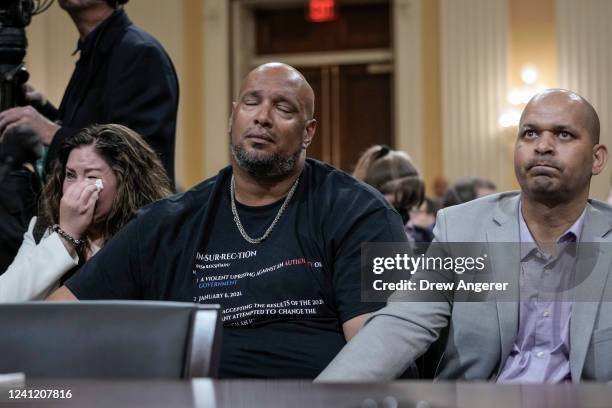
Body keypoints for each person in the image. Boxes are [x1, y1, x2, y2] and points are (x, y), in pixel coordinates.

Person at [48, 62, 408, 379]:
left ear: (308, 132)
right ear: (232, 117)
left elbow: (379, 353)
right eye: (251, 102)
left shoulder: (361, 213)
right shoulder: (166, 223)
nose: (262, 116)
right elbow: (56, 320)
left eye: (283, 108)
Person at [317, 89, 612, 383]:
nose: (543, 146)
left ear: (597, 159)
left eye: (563, 135)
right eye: (530, 133)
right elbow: (404, 321)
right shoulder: (463, 229)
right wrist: (323, 398)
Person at [0, 0, 179, 182]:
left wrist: (51, 133)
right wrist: (44, 110)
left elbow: (137, 161)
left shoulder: (140, 53)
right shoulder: (95, 50)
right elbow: (94, 128)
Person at [0, 124, 172, 302]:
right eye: (70, 175)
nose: (76, 188)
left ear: (126, 183)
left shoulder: (150, 234)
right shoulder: (42, 228)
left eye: (92, 177)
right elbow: (5, 300)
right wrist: (65, 237)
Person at [352, 144, 427, 243]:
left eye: (409, 207)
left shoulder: (423, 237)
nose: (405, 217)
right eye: (394, 207)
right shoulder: (354, 240)